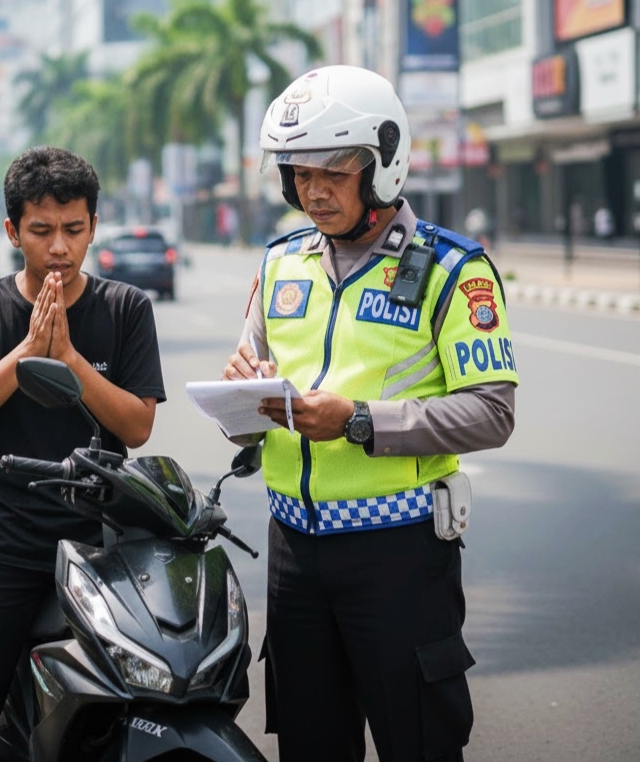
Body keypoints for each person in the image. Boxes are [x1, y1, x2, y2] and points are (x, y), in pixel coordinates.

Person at [222, 65, 519, 762]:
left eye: (334, 170)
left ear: (383, 161)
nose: (312, 191)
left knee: (418, 744)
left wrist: (360, 421)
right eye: (297, 172)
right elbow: (244, 410)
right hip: (293, 555)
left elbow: (492, 411)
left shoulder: (453, 269)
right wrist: (244, 399)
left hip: (400, 556)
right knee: (310, 746)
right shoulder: (279, 265)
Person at [0, 146, 166, 761]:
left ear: (93, 227)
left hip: (103, 543)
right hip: (5, 538)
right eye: (41, 231)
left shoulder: (126, 308)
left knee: (127, 705)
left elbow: (137, 426)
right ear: (13, 231)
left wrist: (70, 361)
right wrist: (27, 354)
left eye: (73, 230)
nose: (59, 247)